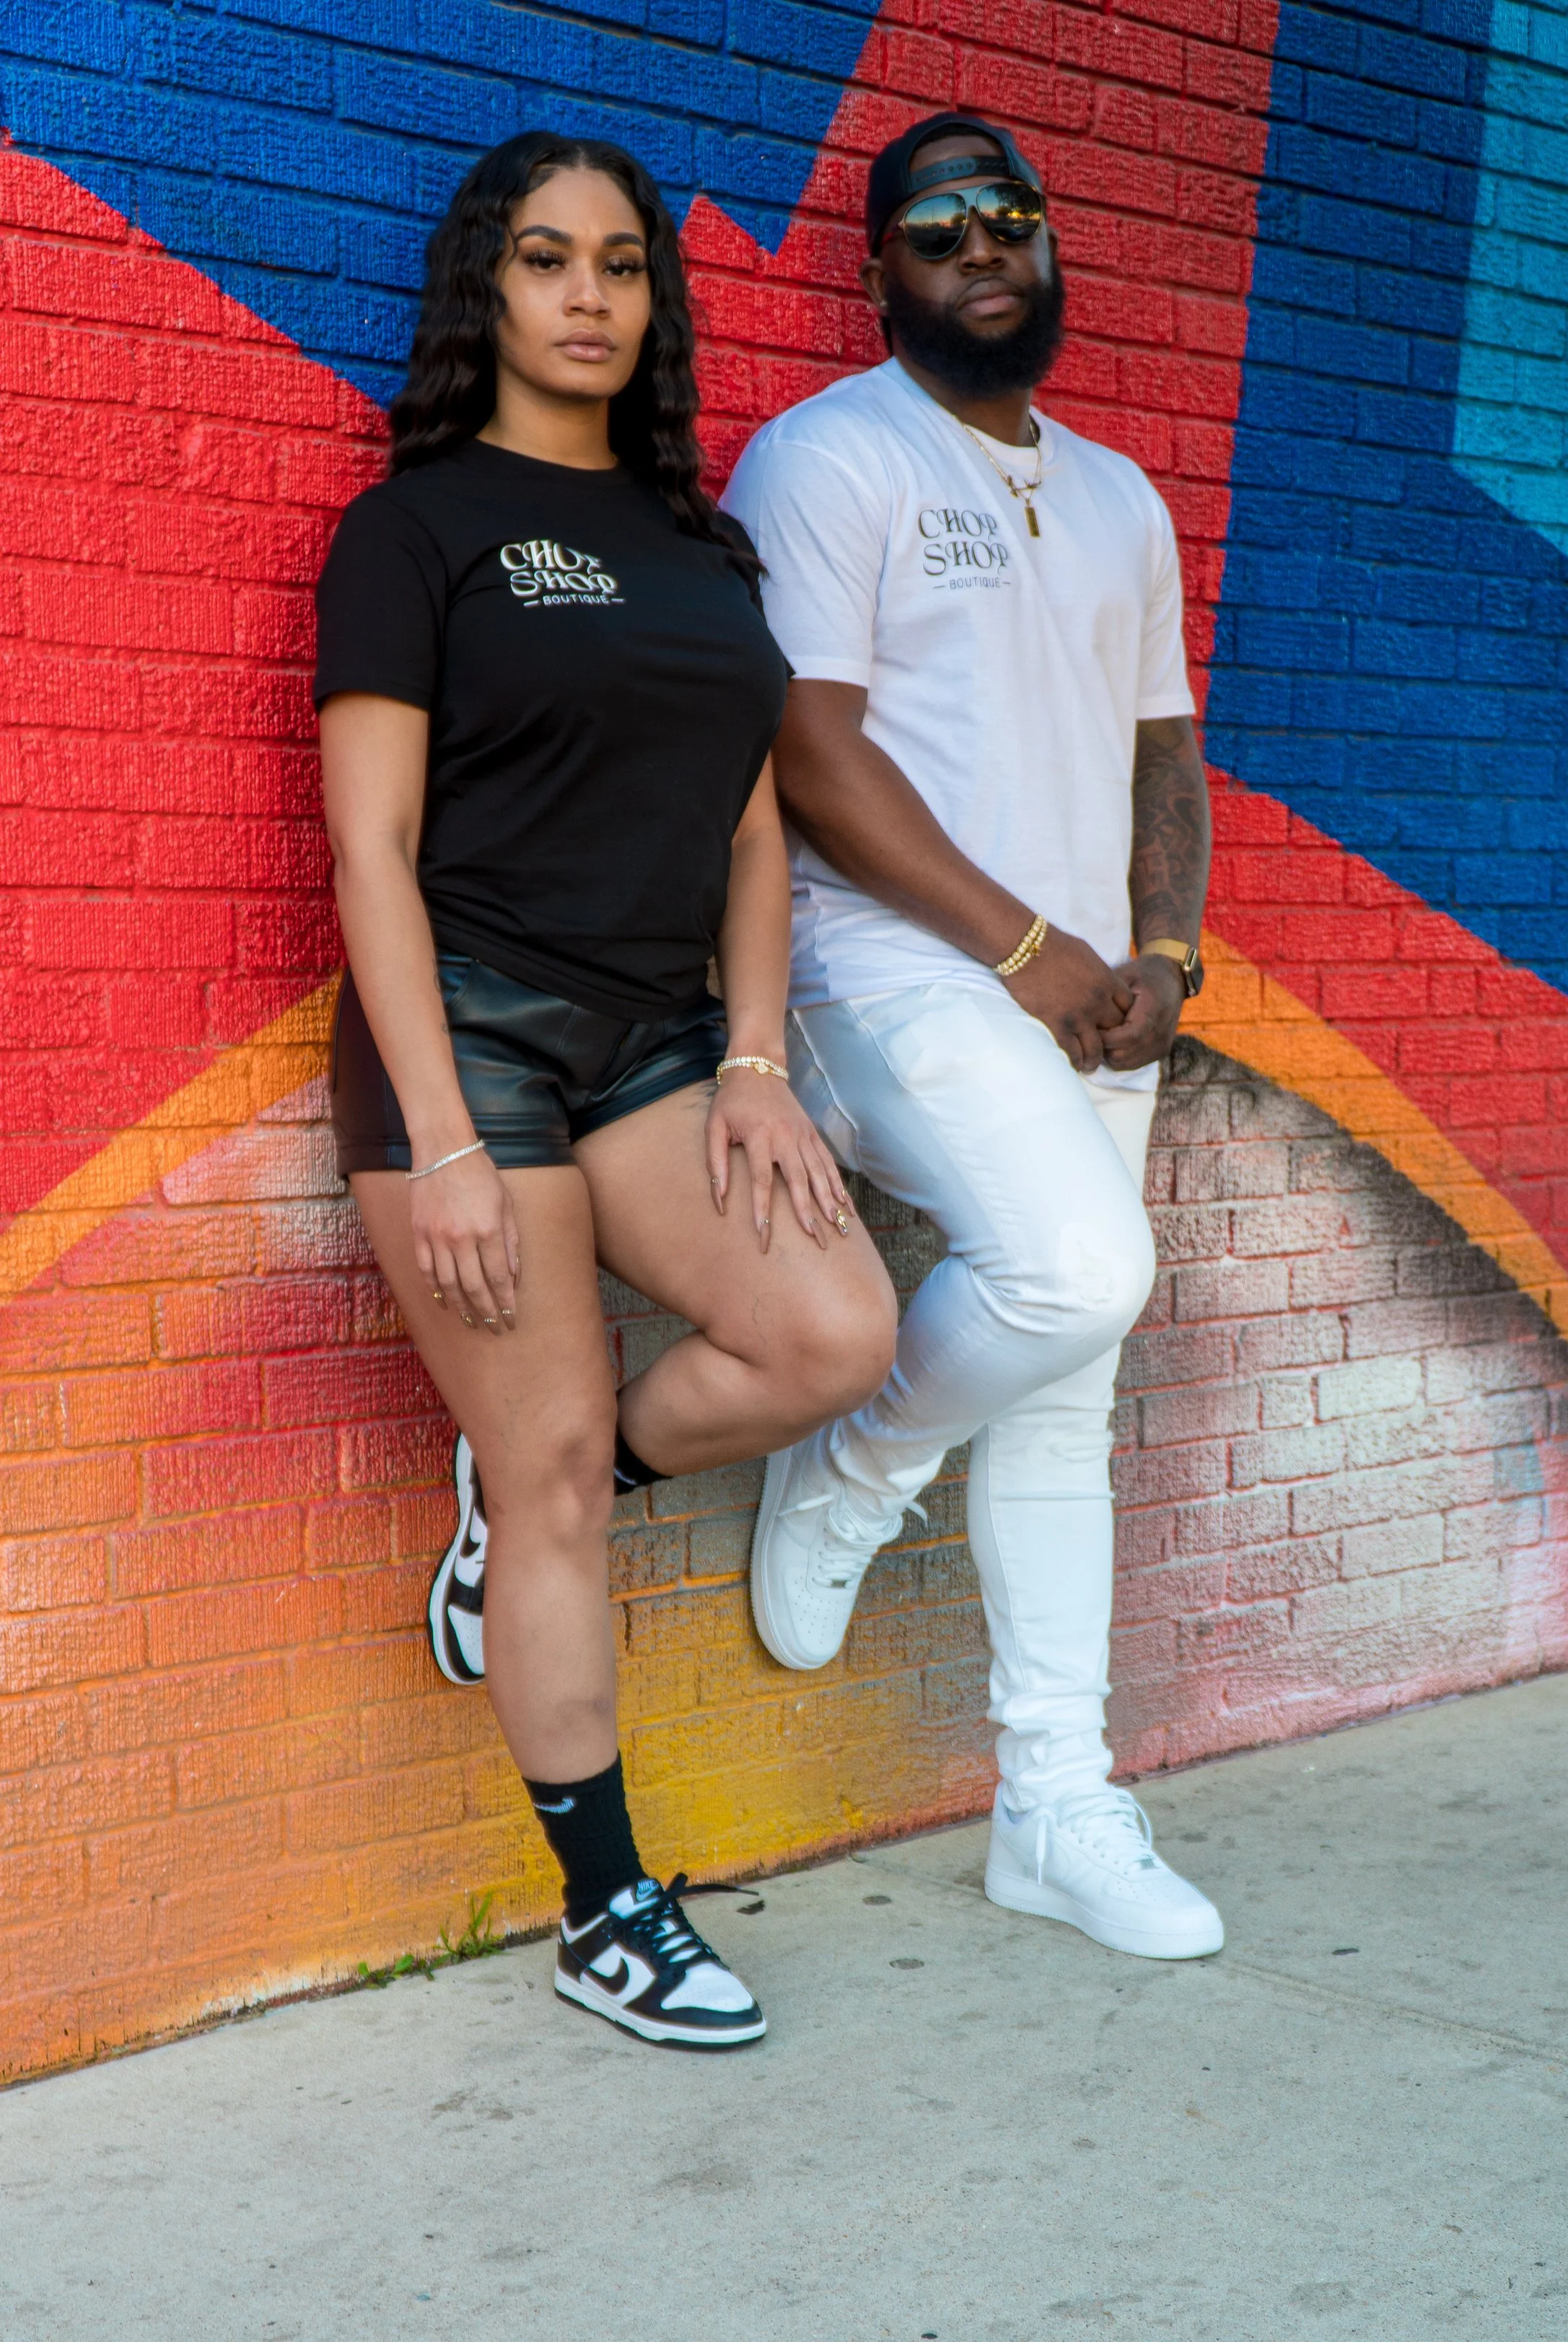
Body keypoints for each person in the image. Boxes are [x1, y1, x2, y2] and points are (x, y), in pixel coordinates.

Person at [314, 130, 898, 2048]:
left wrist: (751, 1058)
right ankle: (606, 1908)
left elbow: (748, 833)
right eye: (550, 259)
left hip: (658, 1041)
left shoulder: (698, 548)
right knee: (558, 1474)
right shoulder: (413, 531)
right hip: (465, 1038)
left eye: (623, 266)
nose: (589, 296)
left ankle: (528, 1488)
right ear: (485, 285)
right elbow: (371, 853)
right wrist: (452, 1138)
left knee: (827, 1326)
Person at [719, 112, 1225, 1960]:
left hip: (1090, 985)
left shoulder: (1116, 497)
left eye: (1009, 215)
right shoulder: (828, 457)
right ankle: (855, 1451)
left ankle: (1051, 1801)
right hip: (887, 975)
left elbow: (1161, 742)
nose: (982, 245)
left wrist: (1159, 953)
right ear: (880, 268)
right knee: (1078, 1268)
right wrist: (1027, 946)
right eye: (937, 225)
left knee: (1068, 1392)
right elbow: (808, 748)